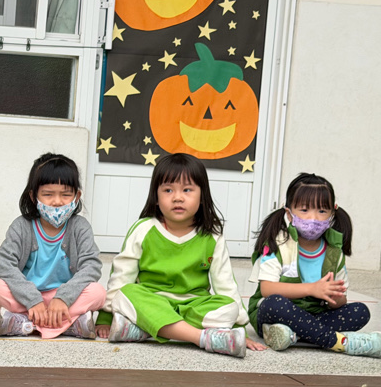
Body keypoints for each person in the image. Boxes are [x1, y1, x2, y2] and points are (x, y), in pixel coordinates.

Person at [98, 153, 264, 358]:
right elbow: (122, 275)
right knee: (126, 293)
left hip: (193, 305)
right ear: (156, 197)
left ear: (202, 196)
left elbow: (225, 284)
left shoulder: (212, 236)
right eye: (168, 190)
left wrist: (239, 328)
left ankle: (145, 328)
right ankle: (201, 337)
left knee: (229, 307)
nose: (177, 197)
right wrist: (105, 317)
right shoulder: (143, 229)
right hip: (152, 300)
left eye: (187, 190)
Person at [247, 173, 381, 357]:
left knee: (360, 312)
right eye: (304, 210)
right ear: (289, 213)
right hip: (278, 312)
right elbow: (267, 289)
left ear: (333, 212)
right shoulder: (278, 243)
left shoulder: (334, 250)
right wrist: (312, 289)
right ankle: (339, 342)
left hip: (315, 315)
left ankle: (292, 335)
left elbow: (340, 300)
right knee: (274, 304)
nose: (313, 218)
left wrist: (335, 299)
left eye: (322, 211)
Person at [0, 153, 104, 339]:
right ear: (33, 196)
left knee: (98, 293)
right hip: (26, 297)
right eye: (48, 194)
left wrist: (63, 298)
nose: (57, 201)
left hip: (64, 299)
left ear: (77, 196)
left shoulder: (80, 227)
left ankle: (23, 322)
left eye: (66, 194)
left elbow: (91, 266)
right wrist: (33, 300)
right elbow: (5, 266)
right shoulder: (21, 226)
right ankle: (69, 324)